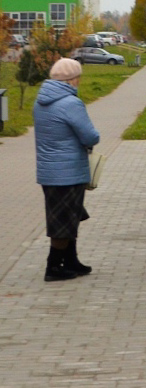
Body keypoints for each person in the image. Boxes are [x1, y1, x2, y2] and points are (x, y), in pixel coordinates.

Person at [34, 57, 99, 282]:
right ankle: (53, 267)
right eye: (78, 77)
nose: (79, 81)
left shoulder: (41, 101)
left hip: (49, 172)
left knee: (68, 217)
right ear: (72, 79)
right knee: (63, 221)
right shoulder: (70, 103)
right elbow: (90, 135)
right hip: (68, 171)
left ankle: (71, 261)